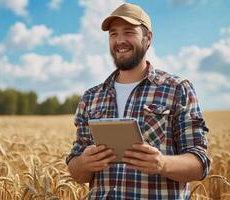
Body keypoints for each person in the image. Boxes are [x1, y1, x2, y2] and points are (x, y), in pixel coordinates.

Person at [66, 3, 210, 199]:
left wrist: (162, 163)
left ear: (148, 38)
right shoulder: (91, 97)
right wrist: (84, 163)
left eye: (129, 32)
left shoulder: (177, 88)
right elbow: (76, 172)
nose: (120, 41)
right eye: (113, 34)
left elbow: (200, 163)